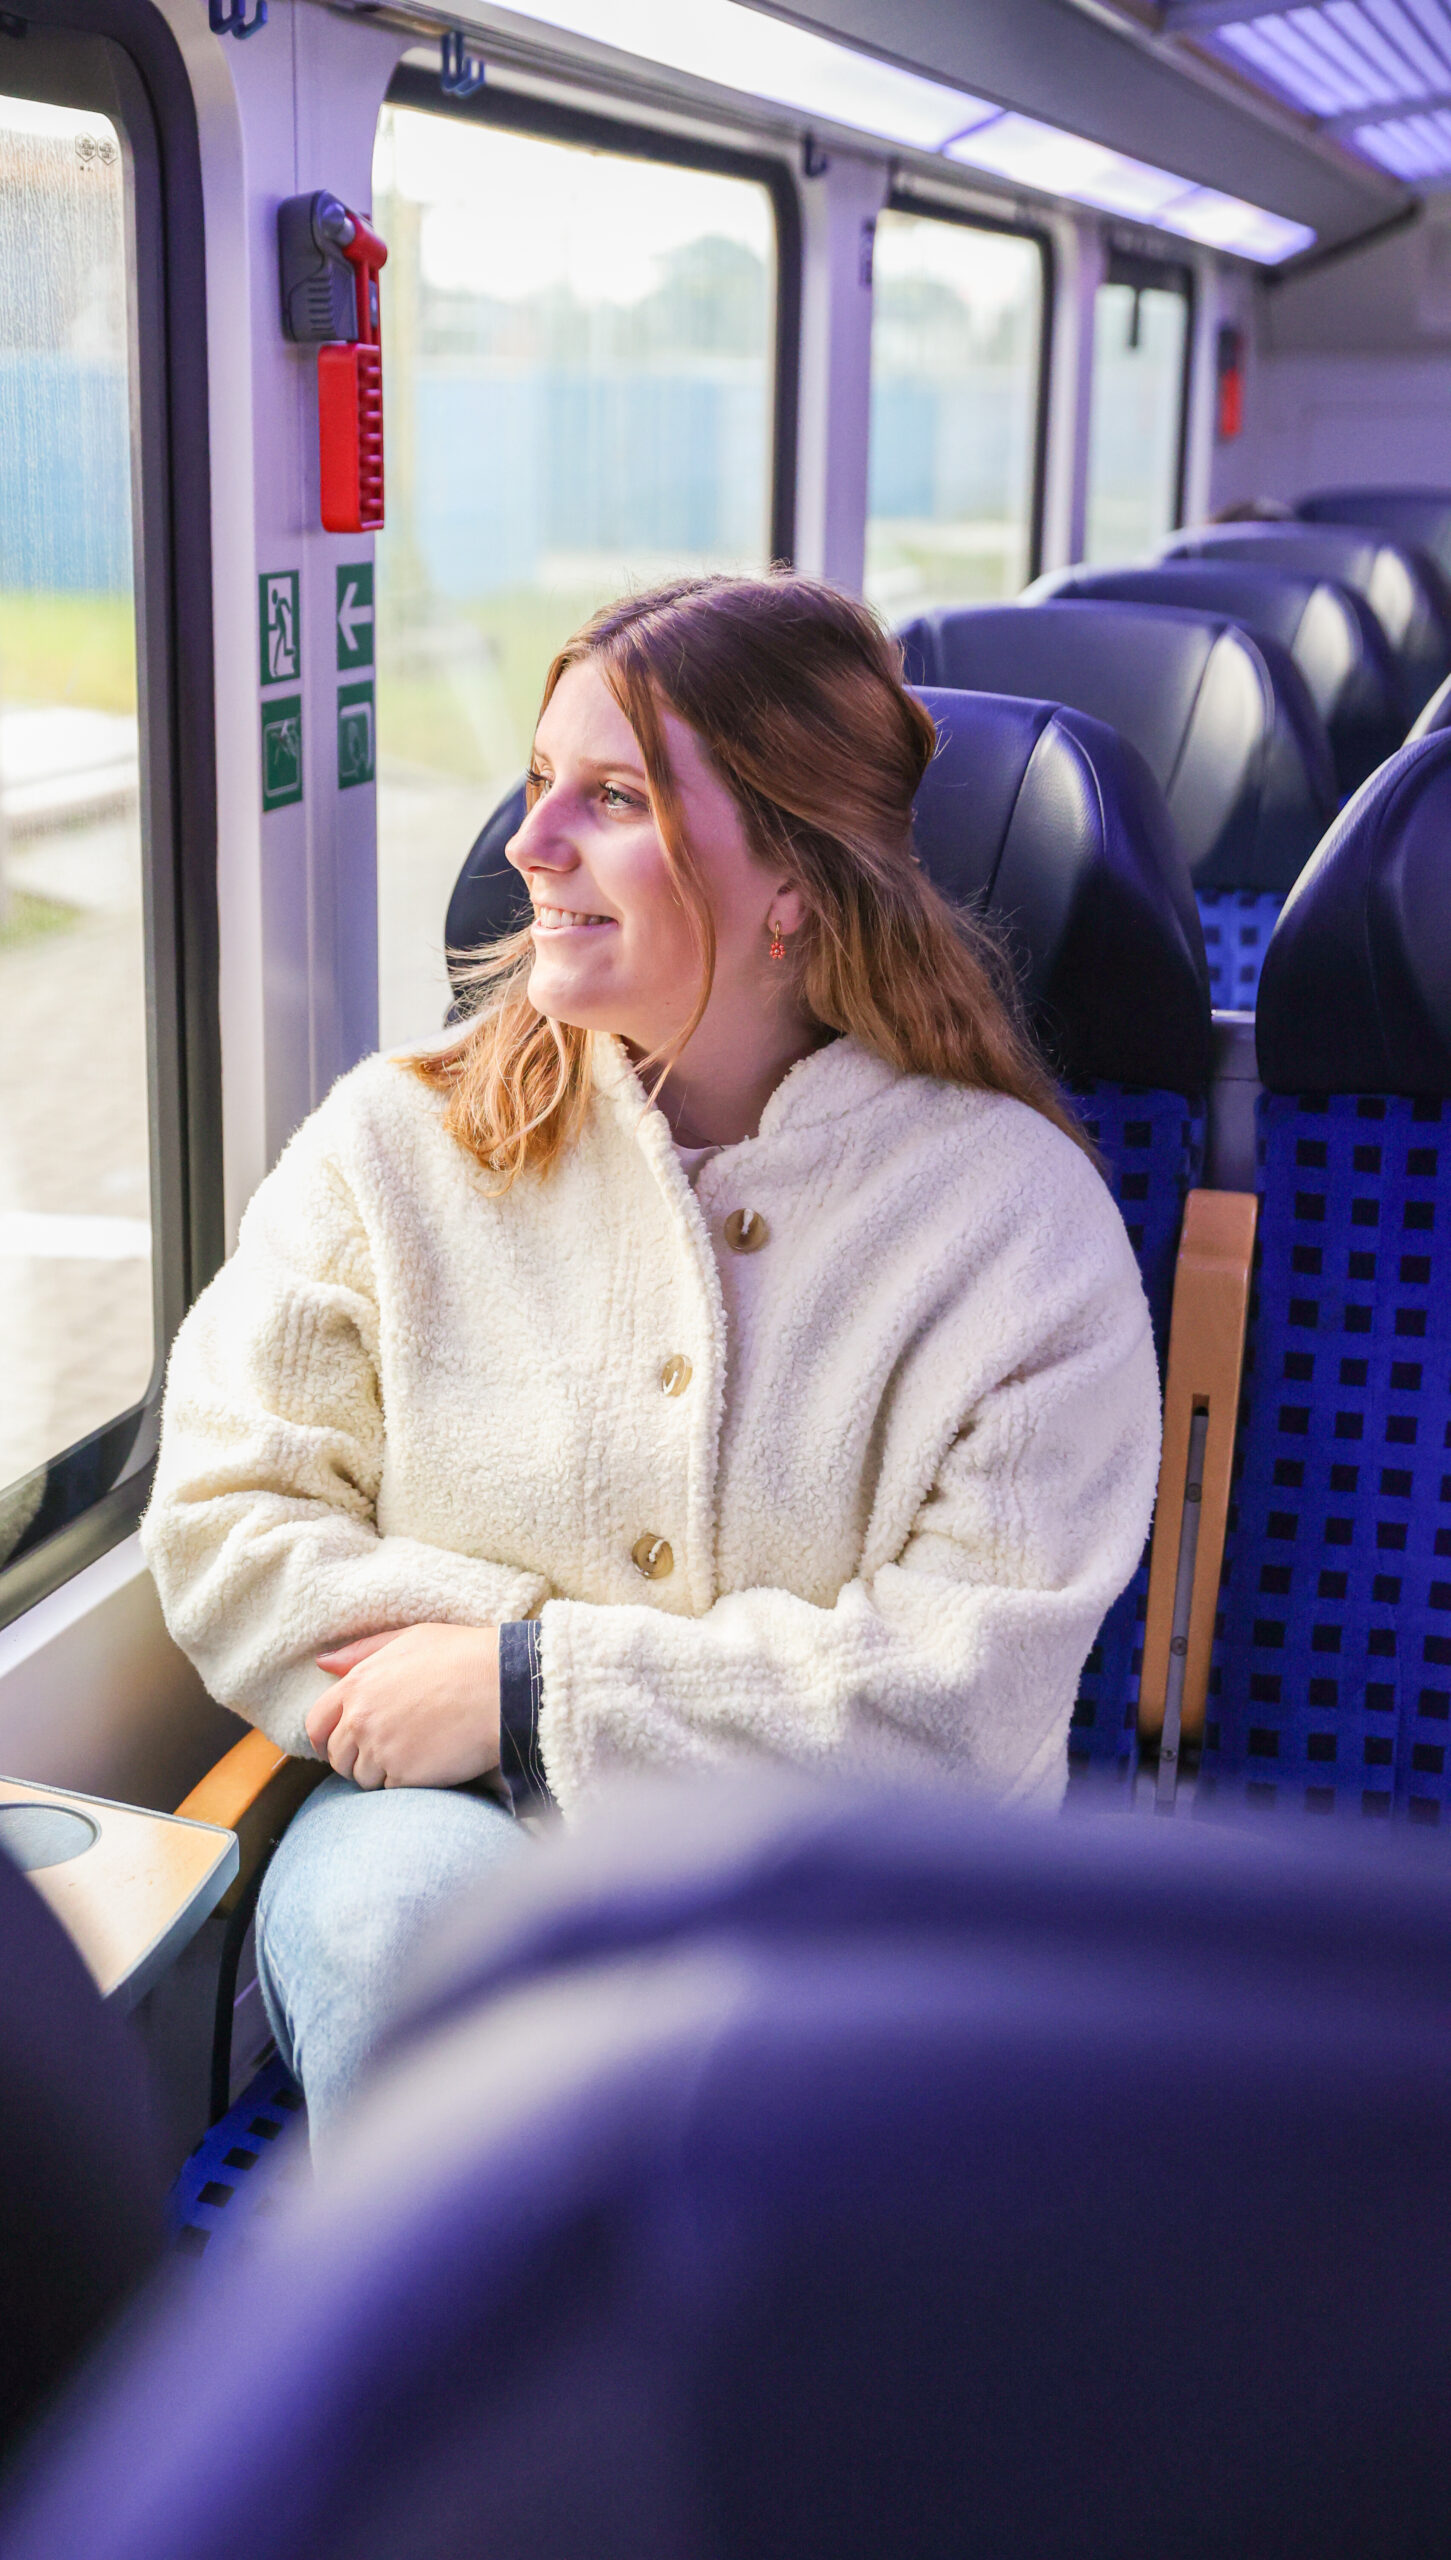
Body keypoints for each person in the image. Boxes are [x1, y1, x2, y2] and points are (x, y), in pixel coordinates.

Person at [141, 572, 1160, 2134]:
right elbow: (227, 1525)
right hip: (451, 1850)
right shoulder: (392, 1149)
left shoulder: (1017, 1230)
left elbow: (957, 1706)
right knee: (413, 1942)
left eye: (608, 799)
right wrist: (519, 1720)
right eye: (540, 785)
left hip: (865, 1897)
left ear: (796, 883)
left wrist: (525, 1684)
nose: (528, 846)